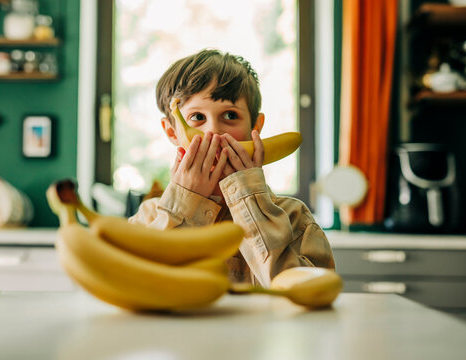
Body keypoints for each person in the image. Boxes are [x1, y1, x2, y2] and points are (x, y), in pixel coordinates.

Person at [129, 49, 335, 287]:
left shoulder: (294, 216)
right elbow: (141, 288)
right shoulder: (150, 217)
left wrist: (249, 202)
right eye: (197, 117)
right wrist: (184, 203)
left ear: (255, 127)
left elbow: (307, 293)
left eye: (229, 114)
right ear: (172, 132)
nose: (213, 131)